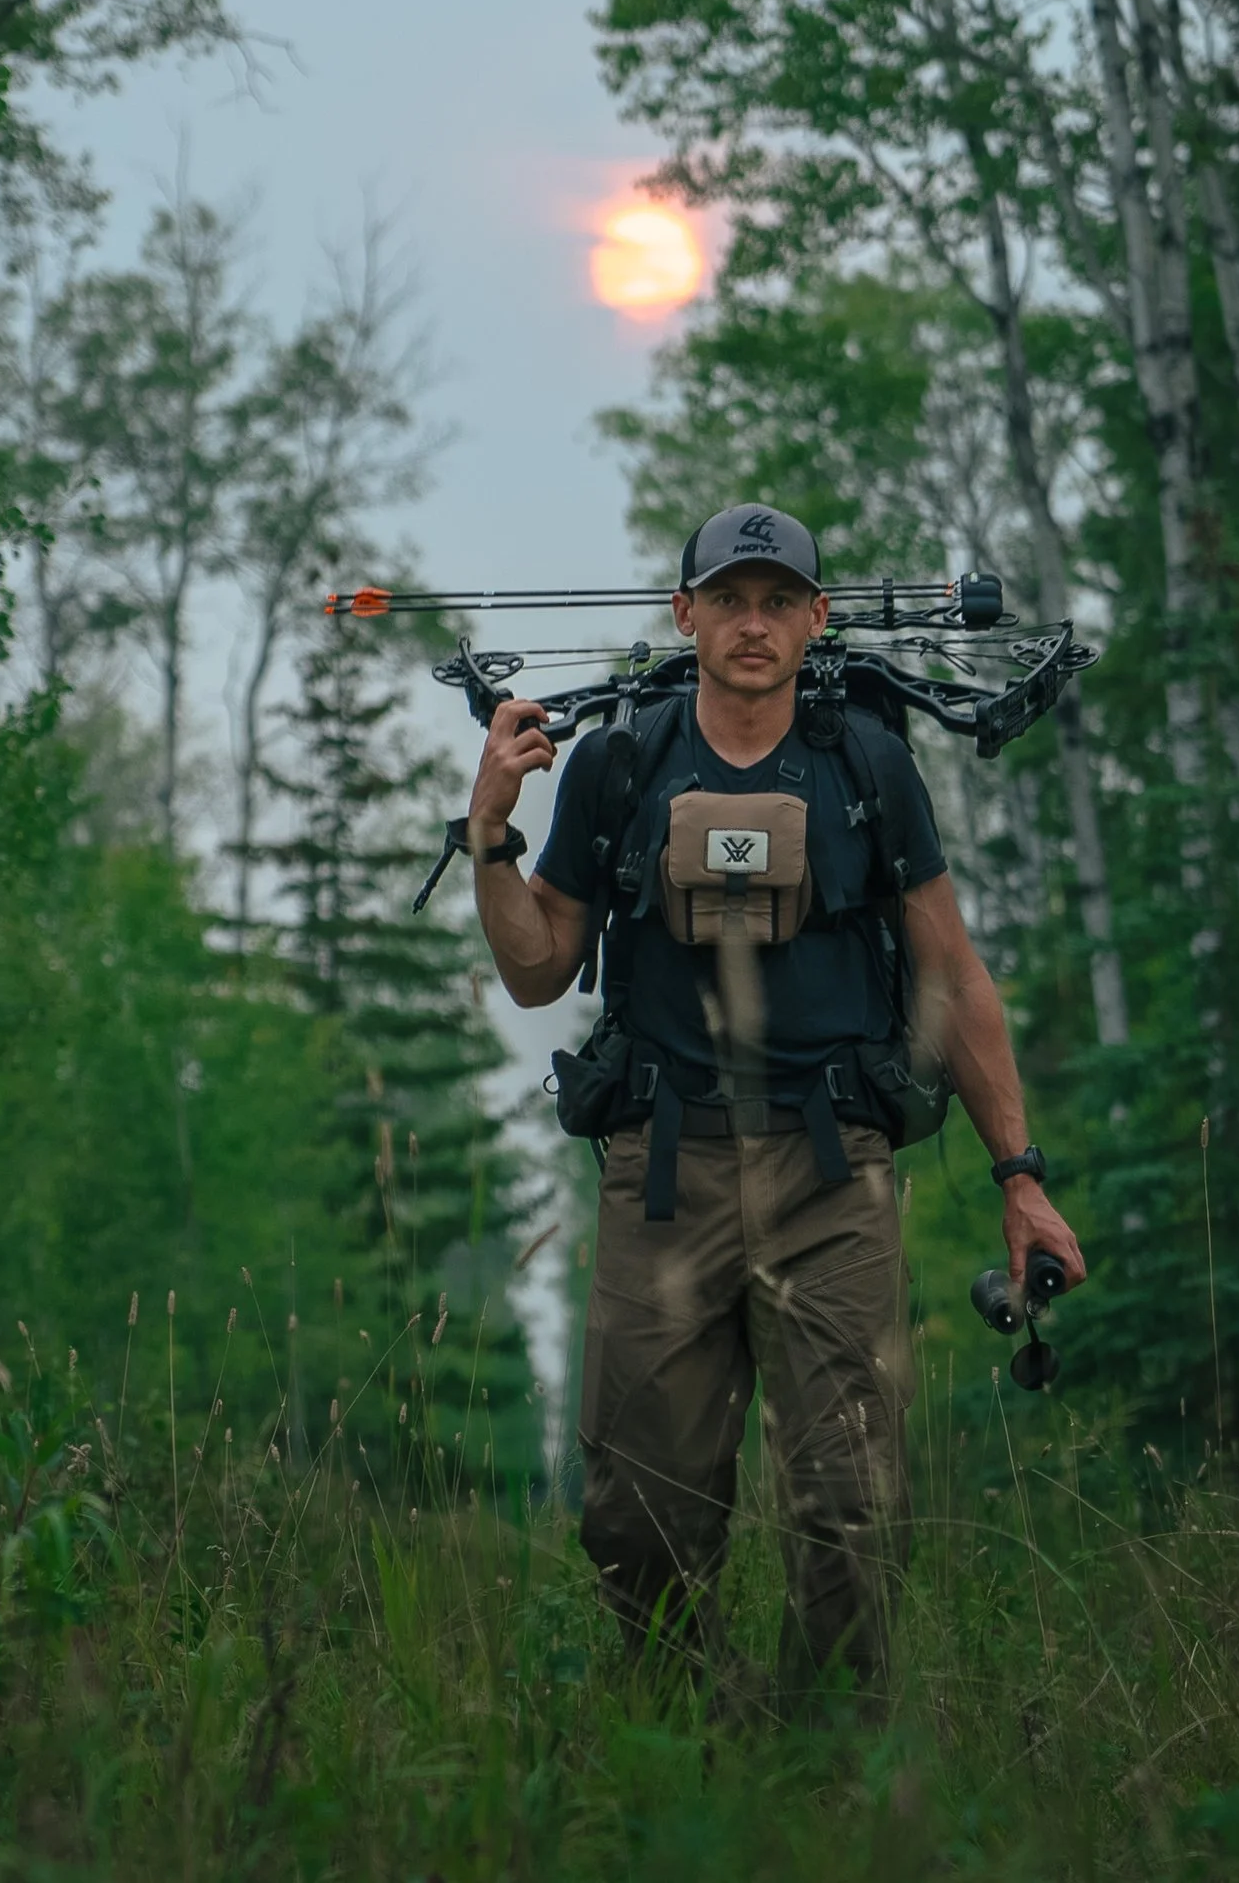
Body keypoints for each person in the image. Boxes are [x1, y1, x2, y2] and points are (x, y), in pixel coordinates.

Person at [462, 503, 1086, 1702]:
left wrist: (1022, 1176)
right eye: (729, 600)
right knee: (638, 1515)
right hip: (661, 1177)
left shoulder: (866, 765)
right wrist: (490, 829)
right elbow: (540, 964)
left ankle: (822, 1774)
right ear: (685, 614)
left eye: (778, 600)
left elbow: (952, 977)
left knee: (850, 1508)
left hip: (832, 1179)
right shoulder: (619, 762)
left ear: (816, 618)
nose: (753, 624)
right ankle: (674, 1756)